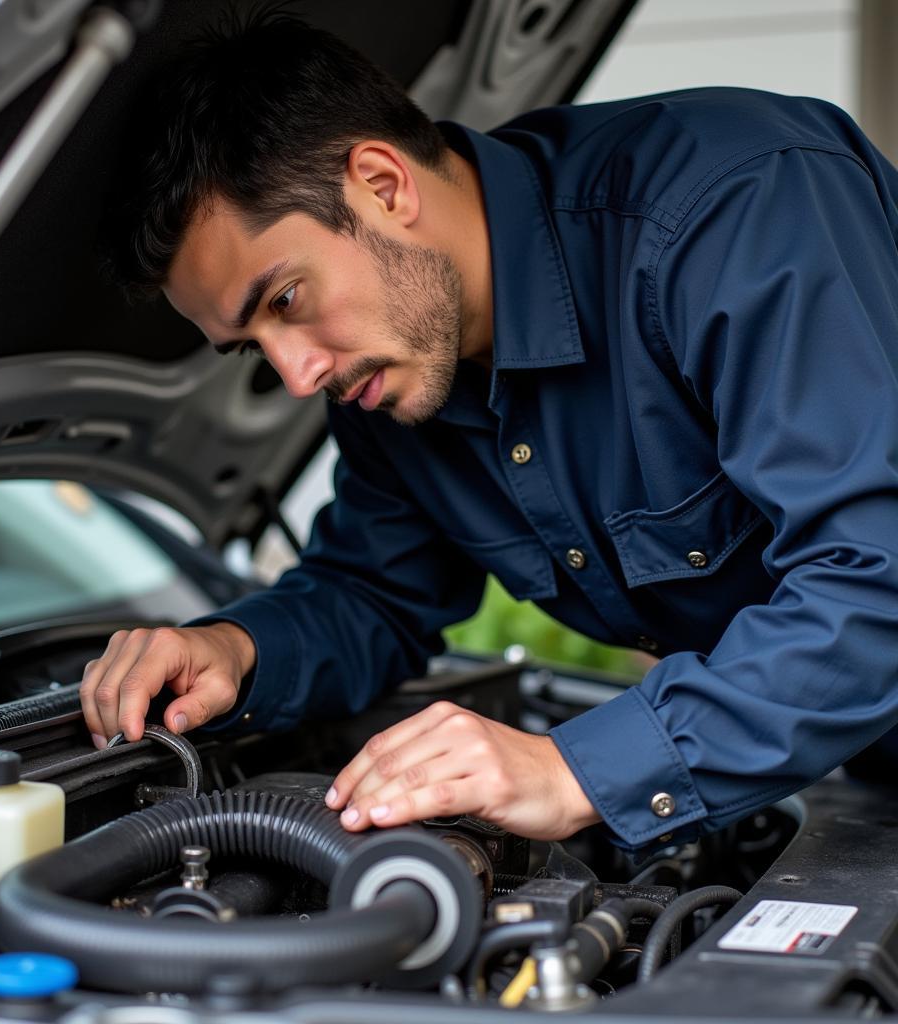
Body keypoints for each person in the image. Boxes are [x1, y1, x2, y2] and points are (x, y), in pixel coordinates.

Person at [80, 10, 898, 854]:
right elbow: (375, 591)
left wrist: (571, 771)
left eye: (285, 300)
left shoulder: (735, 209)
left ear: (383, 185)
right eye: (253, 345)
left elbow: (877, 578)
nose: (297, 376)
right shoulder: (392, 383)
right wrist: (235, 647)